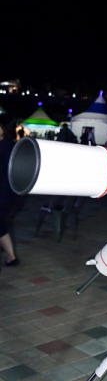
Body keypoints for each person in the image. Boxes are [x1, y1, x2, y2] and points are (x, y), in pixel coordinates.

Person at [0, 113, 20, 267]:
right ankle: (10, 256)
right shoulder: (13, 145)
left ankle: (11, 257)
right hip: (9, 191)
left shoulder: (3, 147)